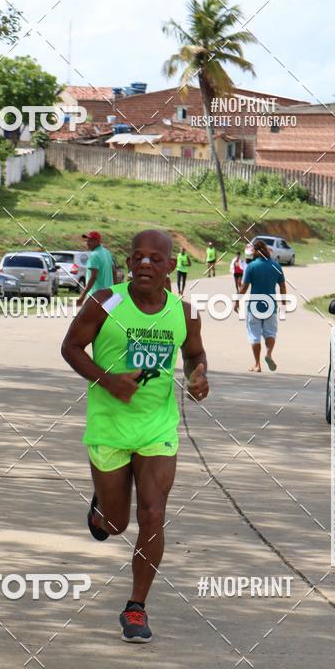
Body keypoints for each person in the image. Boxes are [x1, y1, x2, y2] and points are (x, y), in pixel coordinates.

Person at [61, 229, 209, 643]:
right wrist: (107, 380)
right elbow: (71, 348)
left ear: (170, 267)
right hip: (109, 426)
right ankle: (100, 513)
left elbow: (195, 353)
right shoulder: (105, 302)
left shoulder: (185, 312)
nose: (145, 264)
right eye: (138, 258)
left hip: (157, 428)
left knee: (153, 514)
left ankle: (136, 607)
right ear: (128, 264)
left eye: (155, 259)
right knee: (116, 522)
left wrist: (200, 376)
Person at [236, 239, 287, 373]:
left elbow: (244, 287)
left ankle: (257, 364)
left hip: (254, 306)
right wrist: (284, 303)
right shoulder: (276, 266)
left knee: (254, 335)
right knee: (270, 333)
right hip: (271, 305)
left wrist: (236, 301)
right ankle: (269, 354)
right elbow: (282, 286)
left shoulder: (251, 266)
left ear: (256, 251)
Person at [78, 230, 115, 306]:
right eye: (87, 241)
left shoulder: (94, 255)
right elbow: (114, 271)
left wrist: (82, 296)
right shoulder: (107, 252)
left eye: (91, 241)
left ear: (97, 241)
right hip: (108, 295)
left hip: (96, 296)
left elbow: (93, 277)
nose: (88, 243)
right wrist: (115, 289)